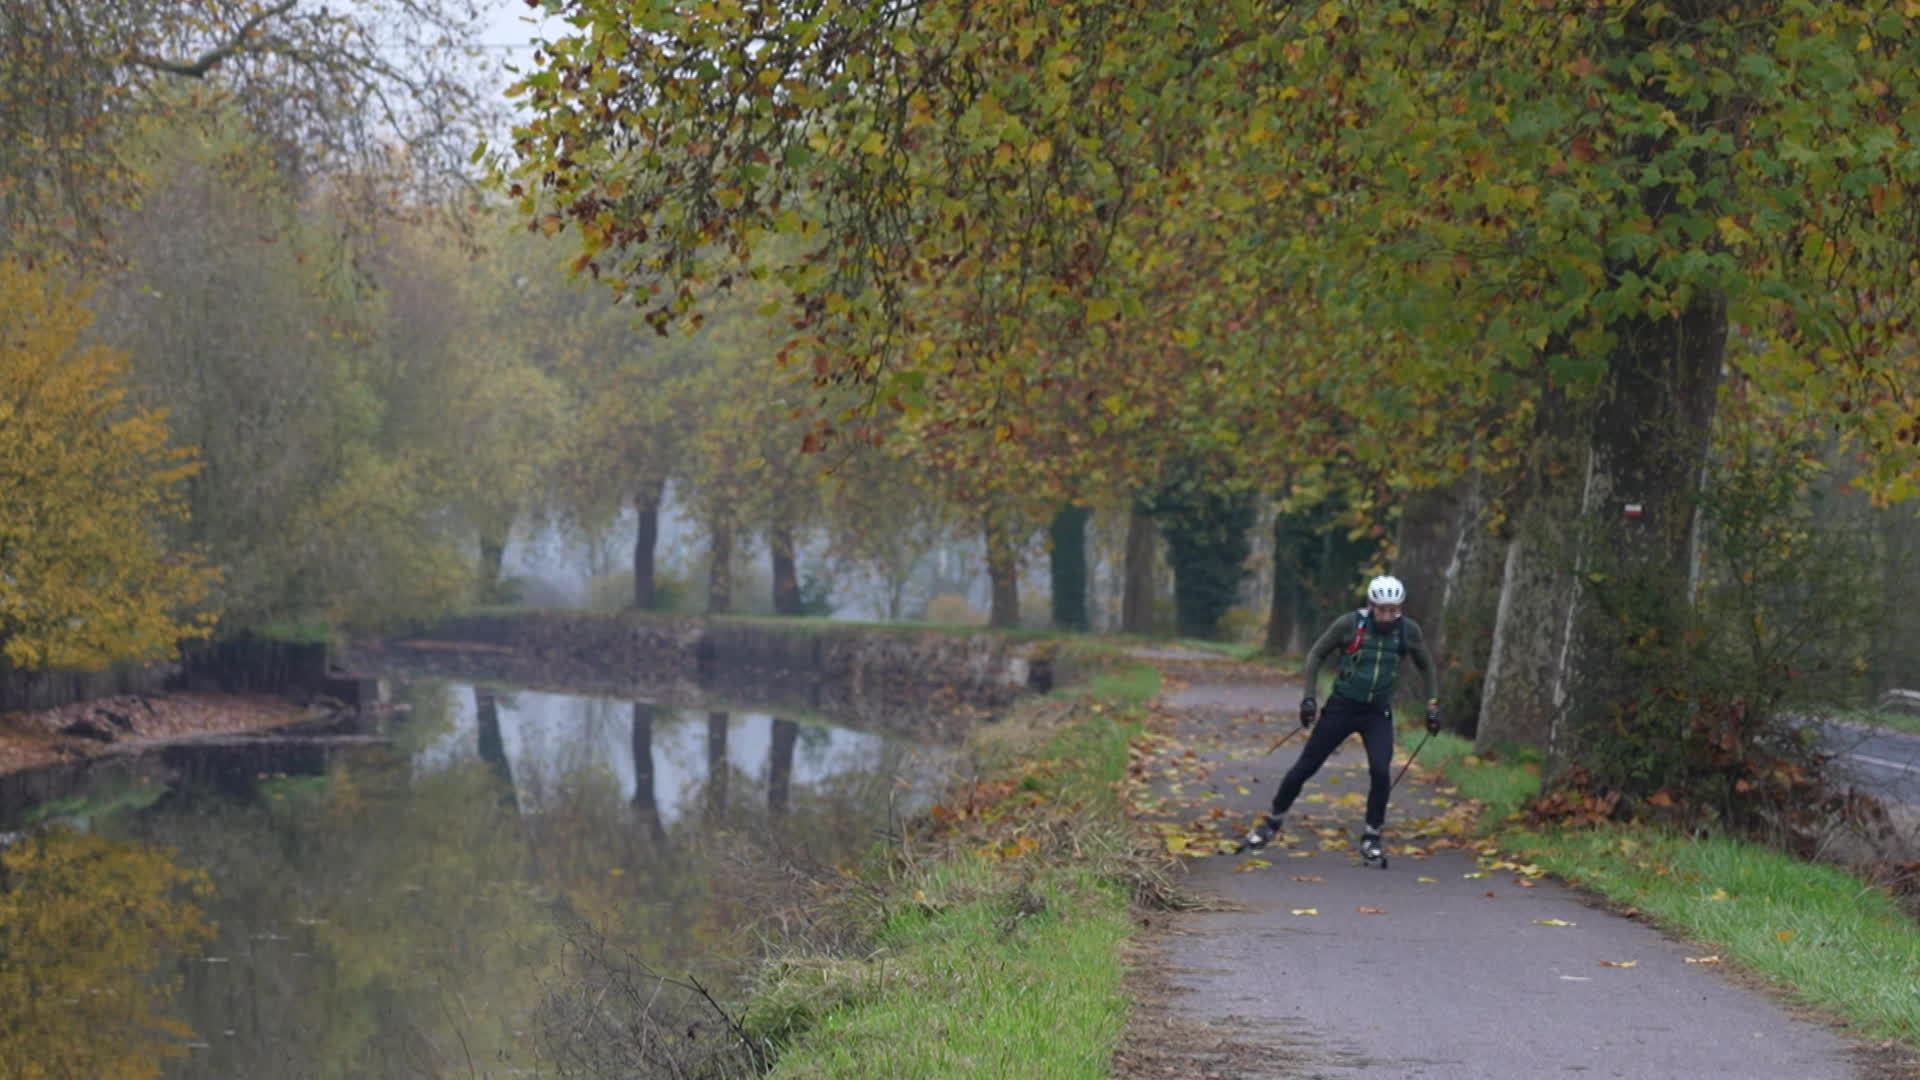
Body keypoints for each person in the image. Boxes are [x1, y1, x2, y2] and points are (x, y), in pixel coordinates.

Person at [1245, 574, 1441, 862]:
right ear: (1372, 605)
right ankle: (1272, 821)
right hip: (1342, 707)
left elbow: (1427, 666)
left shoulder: (1407, 631)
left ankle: (1373, 834)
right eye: (1382, 609)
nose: (1388, 615)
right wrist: (1309, 698)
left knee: (1379, 770)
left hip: (1377, 712)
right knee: (1306, 766)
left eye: (1394, 609)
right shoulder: (1350, 624)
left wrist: (1433, 705)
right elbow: (1316, 655)